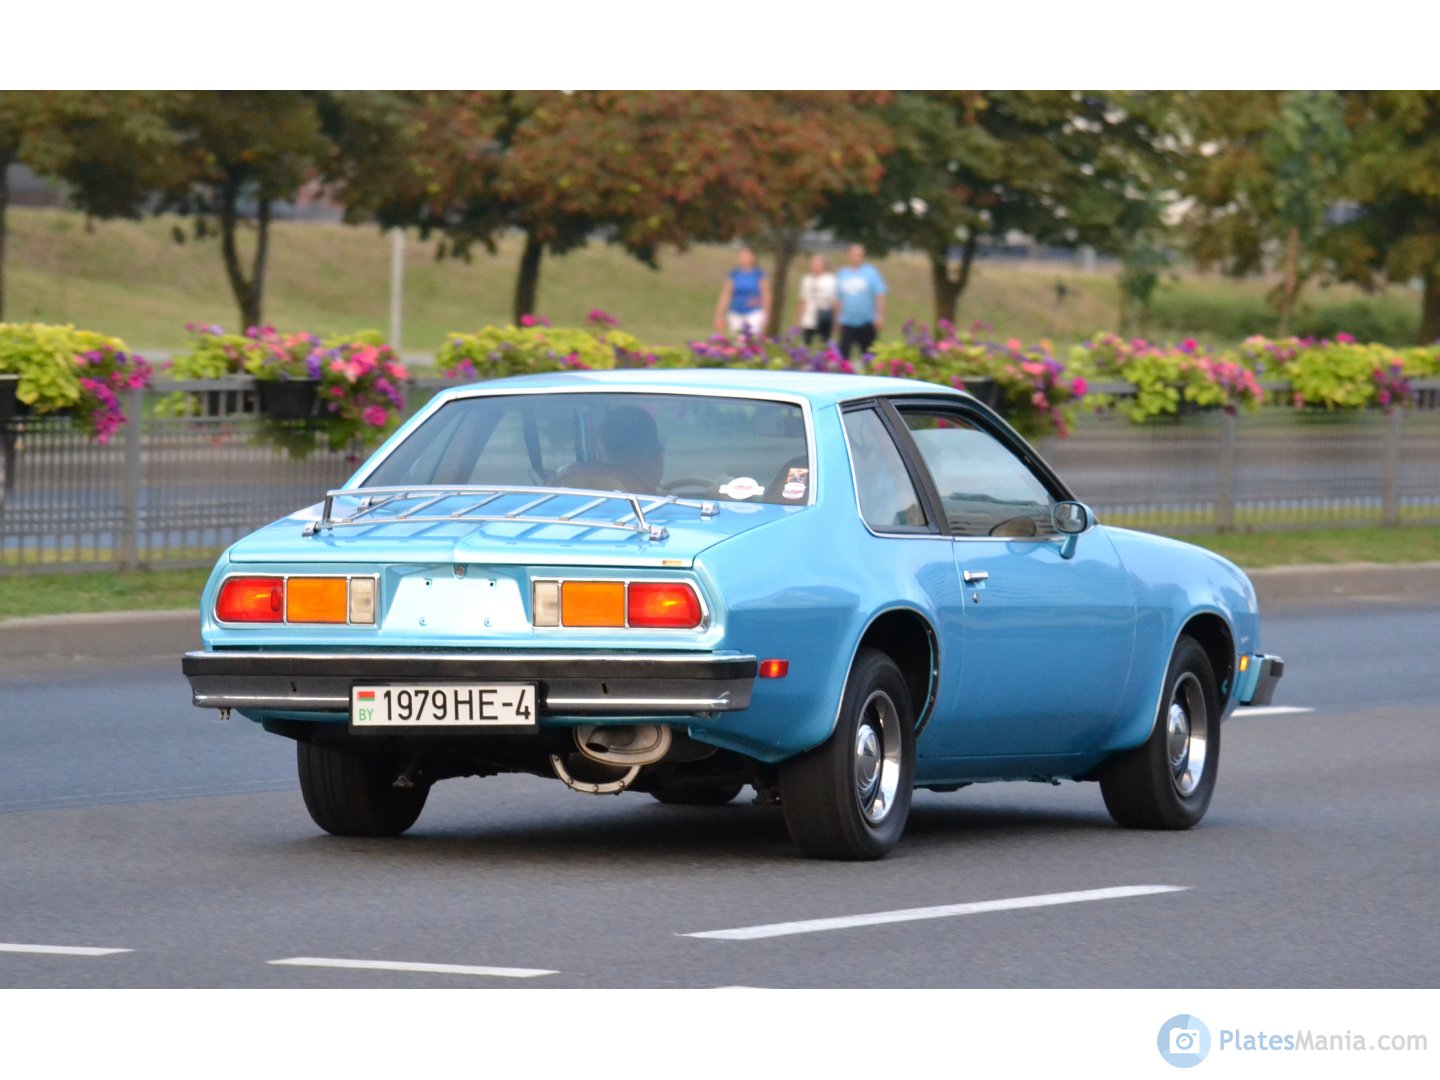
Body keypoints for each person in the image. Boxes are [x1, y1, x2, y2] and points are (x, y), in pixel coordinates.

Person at [834, 244, 887, 359]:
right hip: (847, 323)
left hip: (866, 323)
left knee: (871, 356)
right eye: (854, 255)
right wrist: (837, 318)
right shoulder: (842, 274)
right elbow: (838, 299)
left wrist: (880, 316)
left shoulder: (871, 273)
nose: (856, 258)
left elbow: (879, 295)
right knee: (842, 356)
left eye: (859, 256)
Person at [714, 247, 770, 337]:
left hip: (754, 311)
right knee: (738, 339)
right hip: (735, 312)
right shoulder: (734, 274)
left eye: (747, 256)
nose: (744, 258)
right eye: (742, 256)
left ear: (753, 258)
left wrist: (766, 315)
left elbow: (766, 295)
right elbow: (726, 294)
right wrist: (719, 314)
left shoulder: (759, 275)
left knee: (751, 338)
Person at [798, 254, 837, 346]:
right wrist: (799, 318)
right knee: (806, 342)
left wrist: (835, 319)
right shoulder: (807, 280)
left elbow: (834, 301)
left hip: (823, 314)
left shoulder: (830, 280)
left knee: (823, 342)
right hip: (808, 316)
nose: (815, 267)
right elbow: (803, 299)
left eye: (818, 265)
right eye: (814, 265)